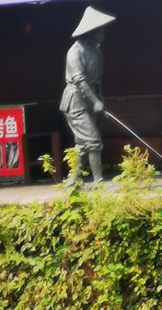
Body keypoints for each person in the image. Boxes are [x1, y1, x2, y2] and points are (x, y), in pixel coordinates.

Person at [60, 6, 116, 183]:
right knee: (93, 141)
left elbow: (97, 79)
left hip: (88, 100)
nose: (102, 35)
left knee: (83, 143)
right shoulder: (75, 52)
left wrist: (100, 99)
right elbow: (80, 81)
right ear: (90, 32)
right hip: (75, 102)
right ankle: (98, 181)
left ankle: (72, 180)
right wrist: (95, 102)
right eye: (100, 31)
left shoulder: (96, 51)